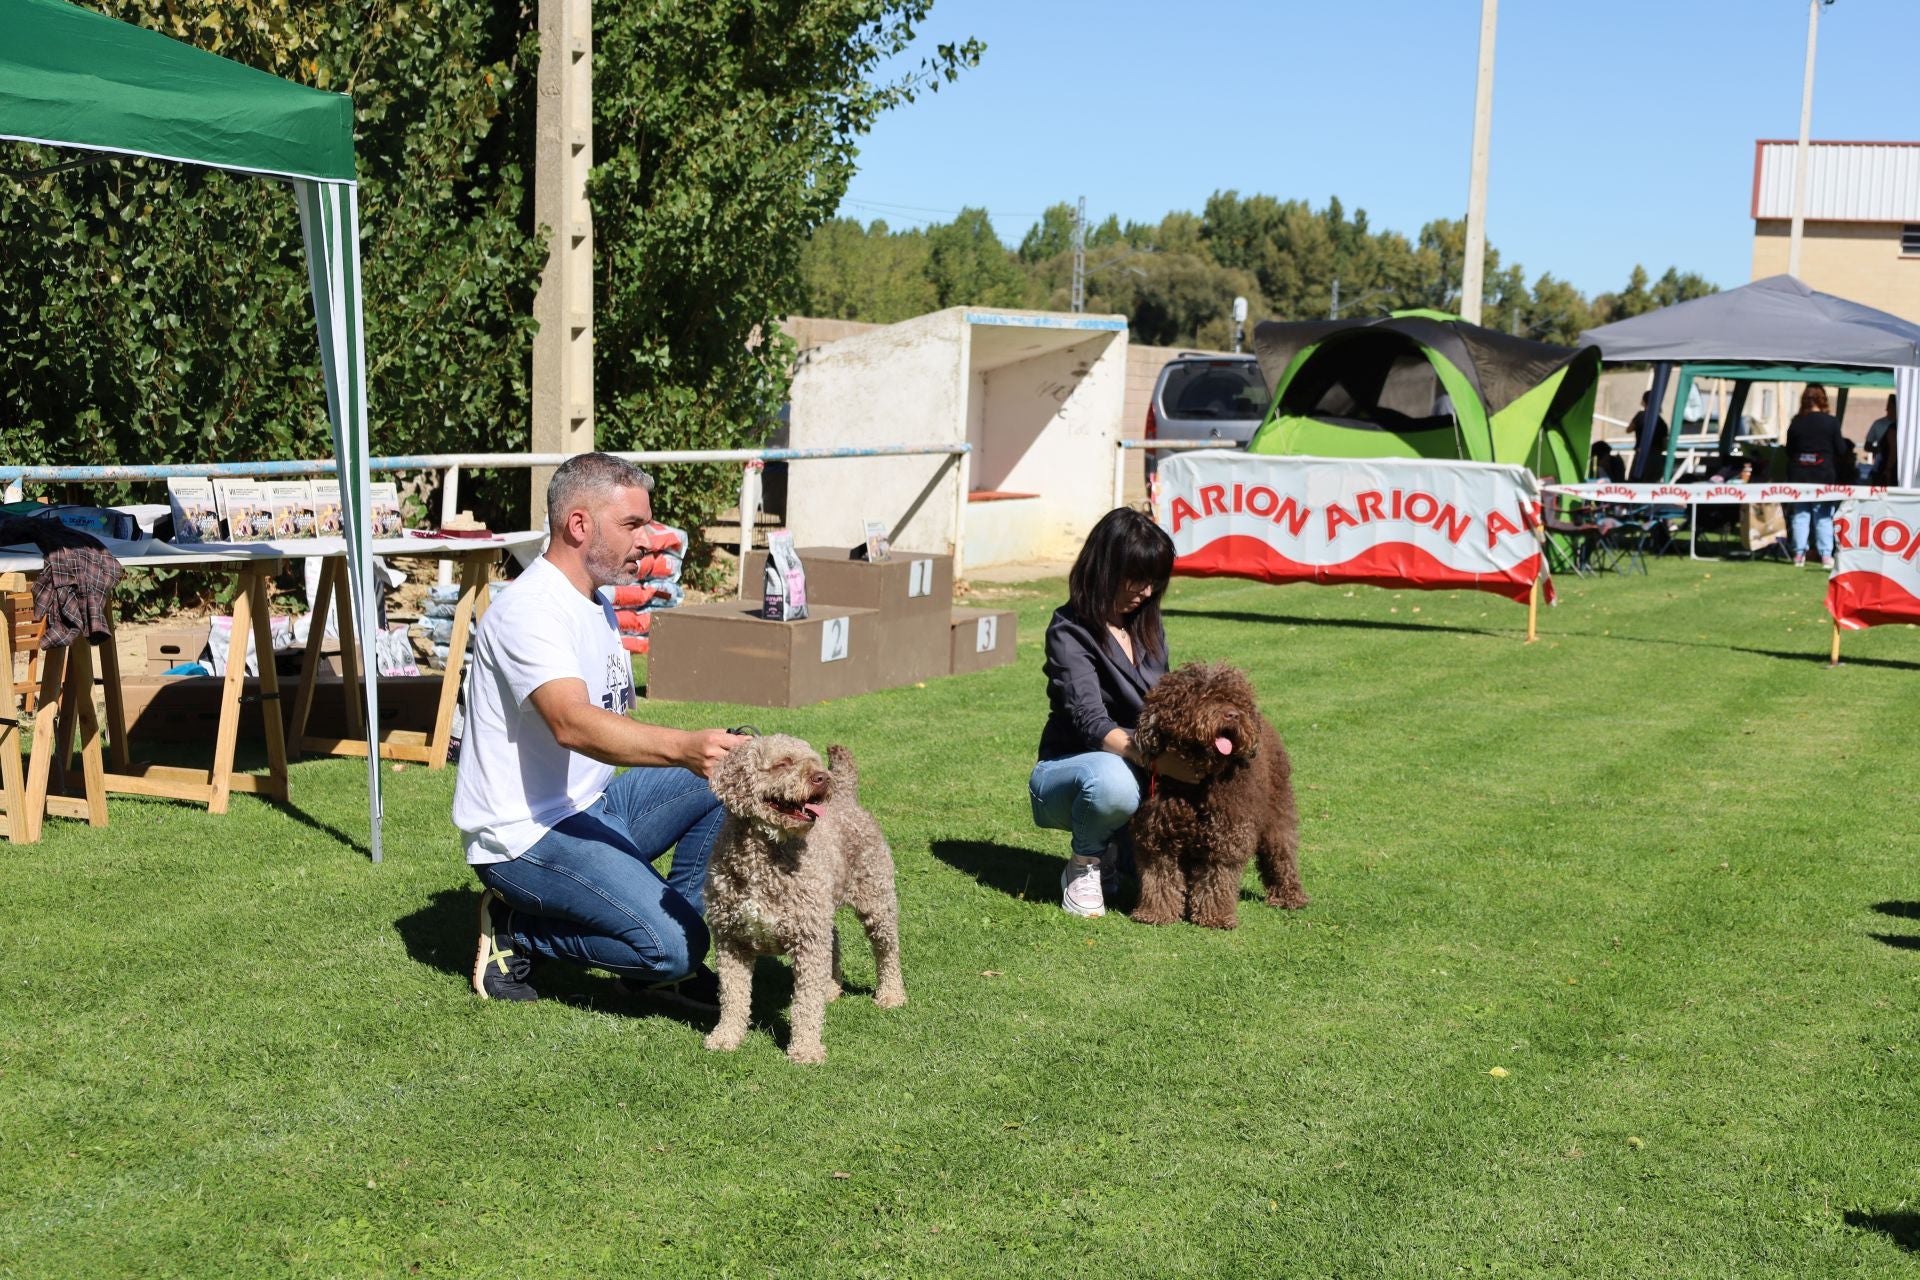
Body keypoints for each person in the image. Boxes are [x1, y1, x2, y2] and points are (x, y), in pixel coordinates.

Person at [452, 453, 747, 1002]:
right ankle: (521, 933)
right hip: (524, 838)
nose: (647, 539)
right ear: (579, 524)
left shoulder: (595, 603)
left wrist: (707, 754)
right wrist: (685, 747)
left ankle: (667, 956)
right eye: (633, 524)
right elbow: (572, 723)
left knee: (734, 770)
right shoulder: (532, 610)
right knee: (679, 944)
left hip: (593, 806)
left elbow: (613, 722)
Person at [1030, 507, 1196, 919]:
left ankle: (1119, 850)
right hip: (1069, 772)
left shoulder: (1148, 626)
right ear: (1104, 568)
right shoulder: (1068, 630)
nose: (1146, 592)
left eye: (1155, 582)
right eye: (1137, 579)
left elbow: (1167, 703)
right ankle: (1085, 864)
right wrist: (1162, 762)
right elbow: (1091, 723)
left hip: (1140, 764)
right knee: (1113, 783)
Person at [1783, 385, 1845, 569]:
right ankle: (1826, 555)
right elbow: (1841, 449)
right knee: (1823, 515)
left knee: (1801, 514)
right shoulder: (1831, 422)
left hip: (1798, 473)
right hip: (1823, 474)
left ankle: (1798, 554)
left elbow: (1789, 450)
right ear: (1823, 399)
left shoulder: (1796, 422)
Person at [1626, 391, 1670, 480]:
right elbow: (1665, 445)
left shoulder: (1640, 416)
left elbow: (1628, 430)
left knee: (1634, 485)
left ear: (1644, 401)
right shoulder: (1662, 423)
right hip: (1656, 459)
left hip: (1641, 457)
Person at [1865, 395, 1896, 481]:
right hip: (1881, 465)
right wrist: (1881, 450)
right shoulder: (1878, 424)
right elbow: (1867, 446)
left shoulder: (1904, 425)